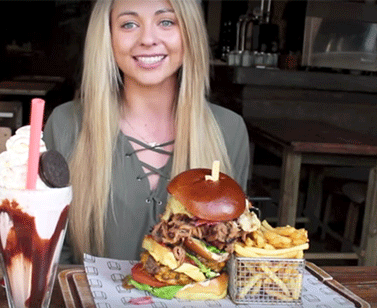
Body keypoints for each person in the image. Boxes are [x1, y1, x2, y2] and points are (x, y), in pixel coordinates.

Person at [43, 0, 250, 263]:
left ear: (189, 32)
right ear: (107, 37)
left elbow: (232, 249)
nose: (148, 39)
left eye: (166, 22)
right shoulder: (66, 124)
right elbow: (51, 255)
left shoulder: (229, 130)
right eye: (129, 24)